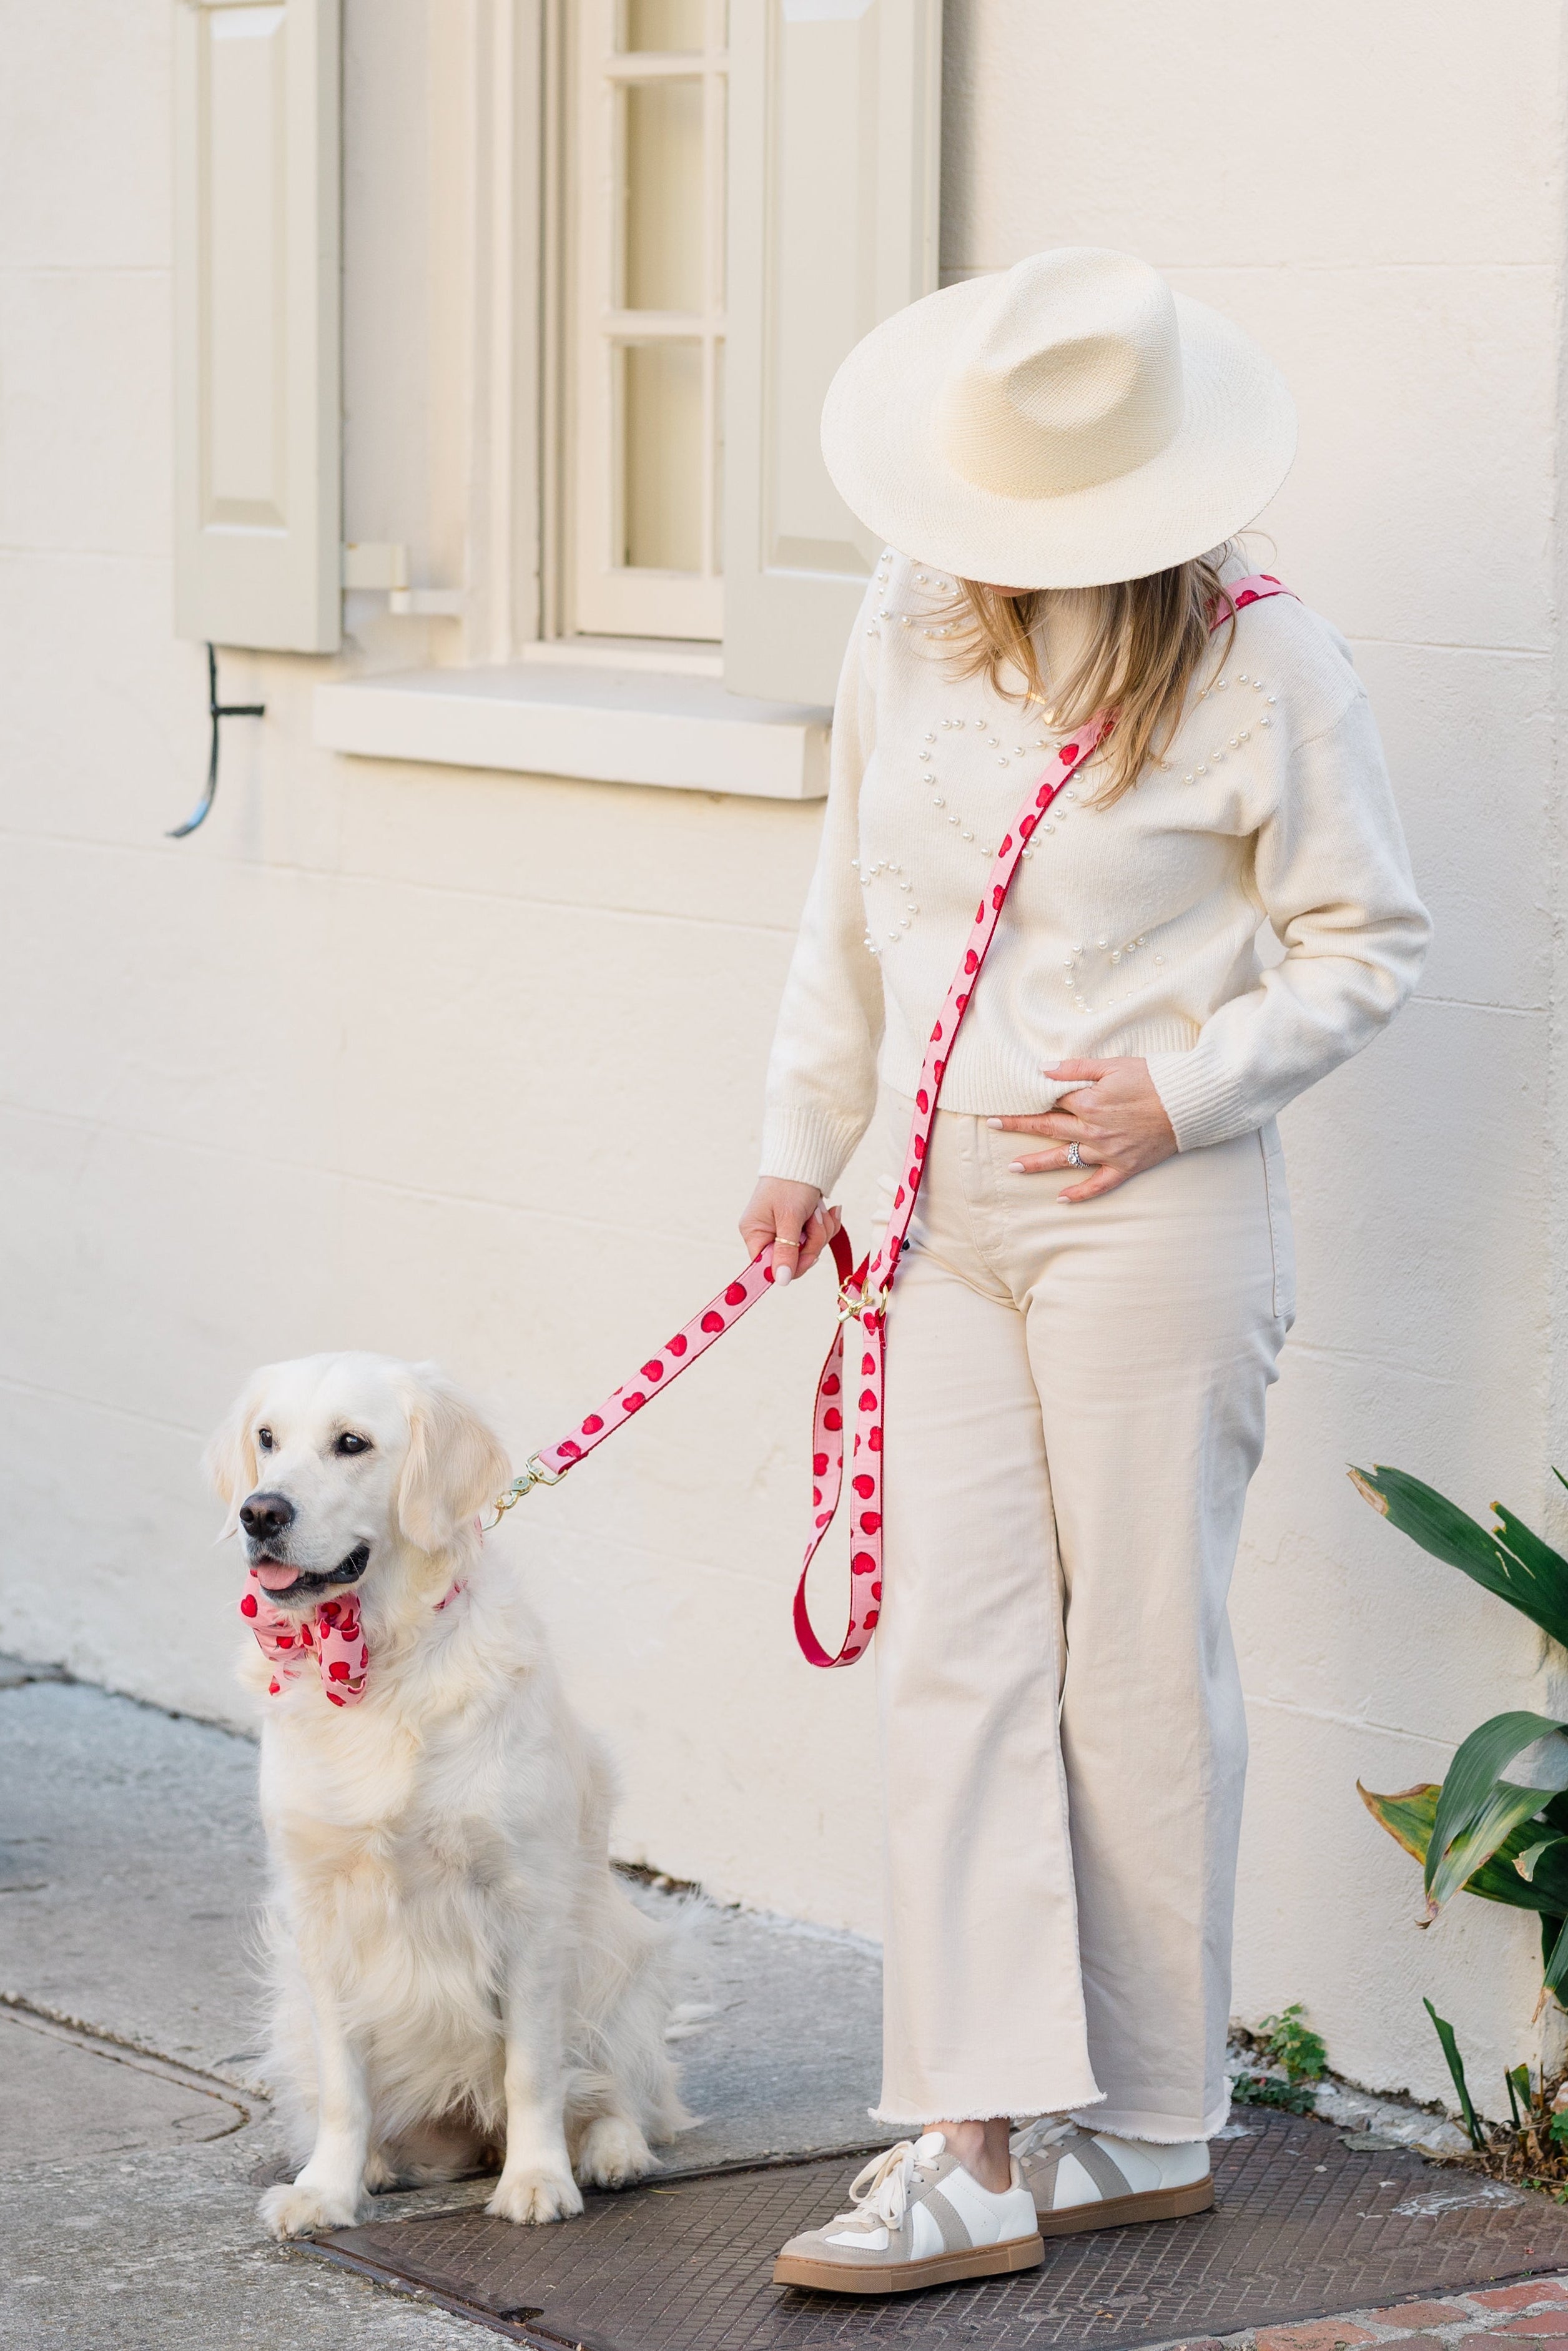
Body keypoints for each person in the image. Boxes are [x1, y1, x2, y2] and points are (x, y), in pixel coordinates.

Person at [741, 248, 1431, 2297]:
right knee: (963, 1650)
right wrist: (803, 1138)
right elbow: (849, 896)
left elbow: (1367, 943)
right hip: (939, 1216)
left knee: (1142, 1662)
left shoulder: (1269, 668)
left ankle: (1142, 2122)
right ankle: (966, 2138)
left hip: (1160, 1213)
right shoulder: (906, 618)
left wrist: (1185, 1092)